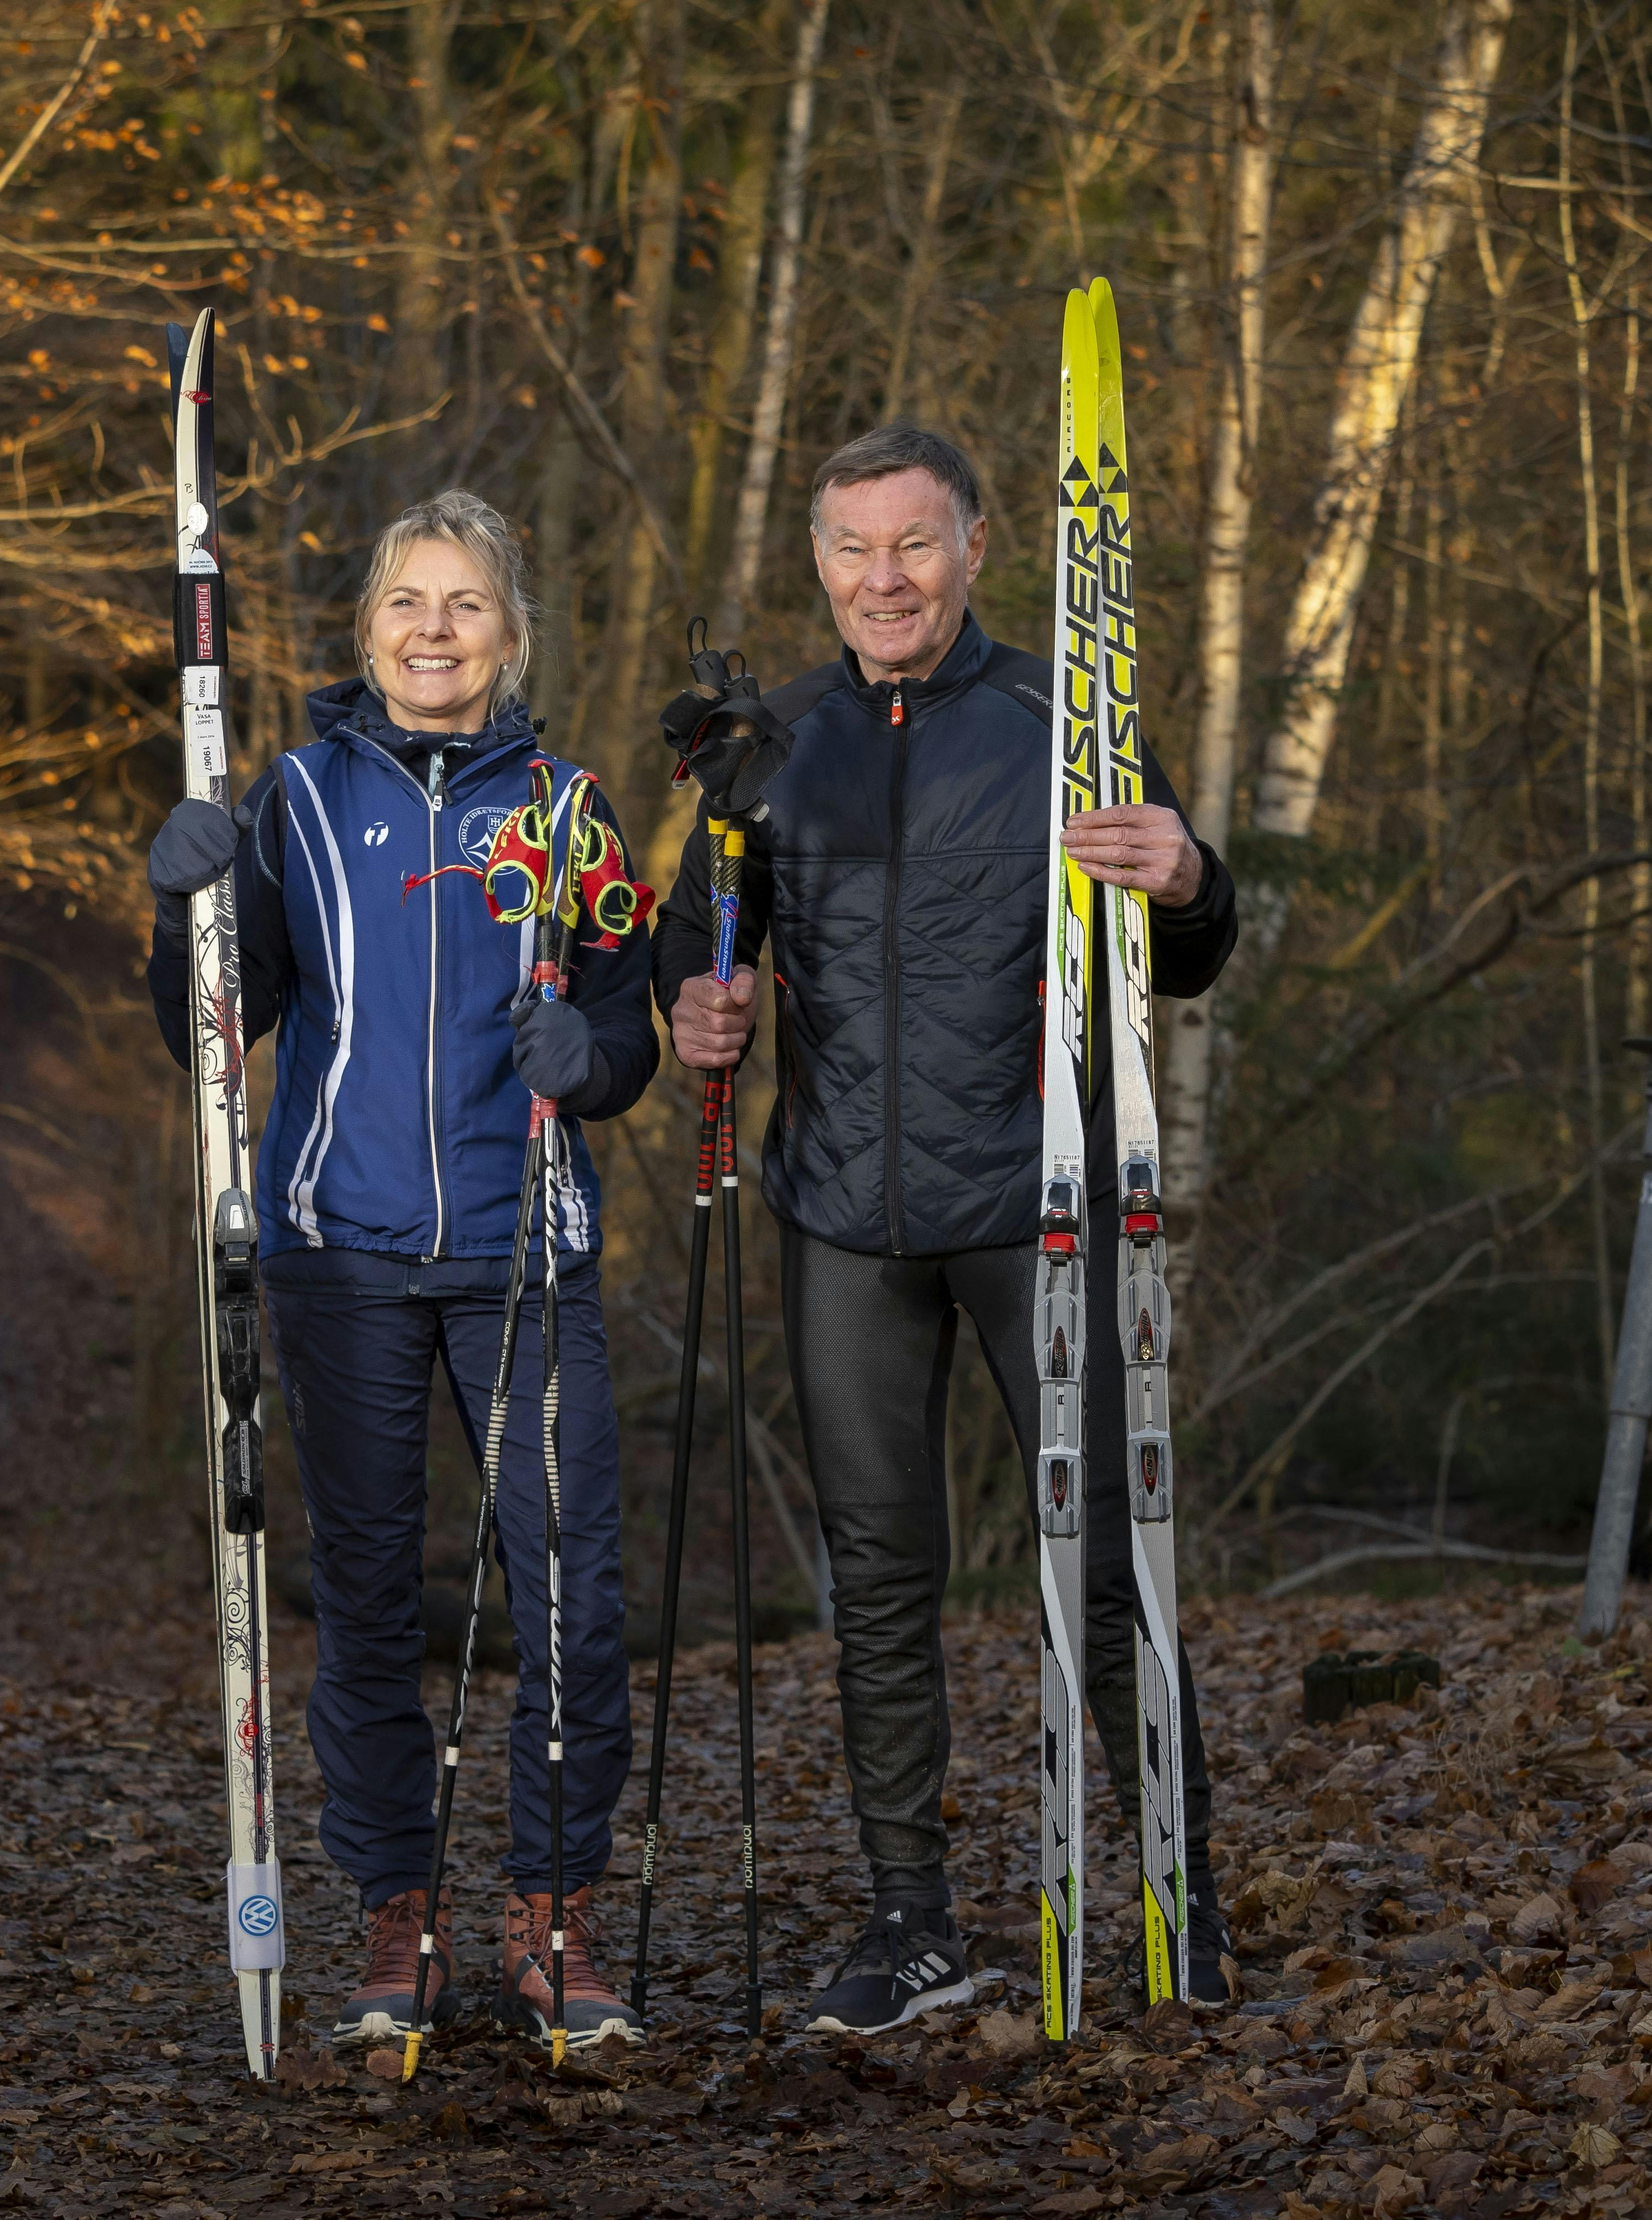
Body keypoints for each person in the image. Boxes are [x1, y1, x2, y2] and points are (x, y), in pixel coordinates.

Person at [650, 427, 1240, 2035]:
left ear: (977, 545)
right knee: (880, 1575)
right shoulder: (773, 742)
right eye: (852, 549)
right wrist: (695, 1010)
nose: (883, 579)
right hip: (841, 1215)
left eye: (914, 545)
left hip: (1036, 1205)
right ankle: (913, 1924)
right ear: (821, 563)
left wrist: (1181, 874)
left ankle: (1180, 1889)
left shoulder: (1071, 714)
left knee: (1109, 1565)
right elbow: (702, 953)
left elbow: (1187, 949)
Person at [146, 489, 660, 2054]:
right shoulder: (294, 798)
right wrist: (185, 911)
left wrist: (603, 1048)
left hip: (526, 1256)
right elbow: (211, 1037)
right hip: (343, 1260)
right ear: (369, 628)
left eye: (466, 607)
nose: (434, 632)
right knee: (368, 1604)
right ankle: (396, 1910)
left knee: (572, 1592)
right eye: (406, 604)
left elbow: (629, 1029)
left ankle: (553, 1915)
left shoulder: (571, 810)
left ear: (512, 634)